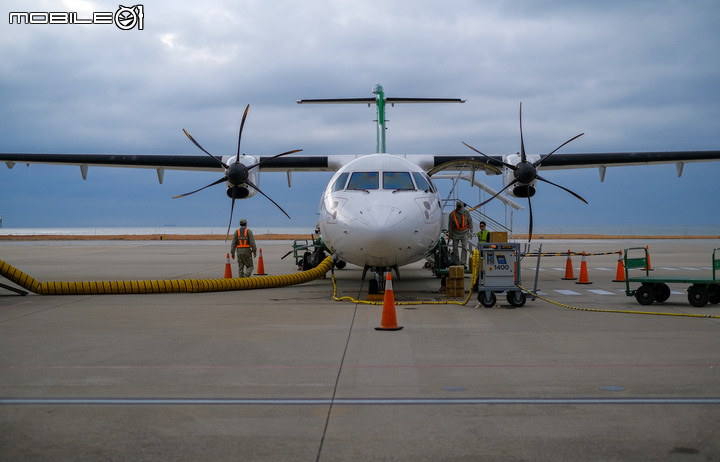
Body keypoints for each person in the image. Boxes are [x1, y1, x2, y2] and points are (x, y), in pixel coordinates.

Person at [448, 200, 472, 267]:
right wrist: (450, 235)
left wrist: (471, 231)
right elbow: (450, 226)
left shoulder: (466, 212)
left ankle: (463, 263)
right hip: (455, 232)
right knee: (455, 248)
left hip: (465, 232)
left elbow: (470, 222)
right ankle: (456, 262)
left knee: (464, 247)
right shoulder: (452, 214)